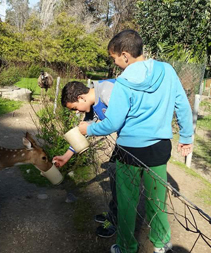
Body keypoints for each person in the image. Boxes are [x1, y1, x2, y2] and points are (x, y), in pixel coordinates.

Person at [78, 29, 193, 253]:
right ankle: (161, 244)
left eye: (114, 59)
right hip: (159, 149)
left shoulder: (123, 83)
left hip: (129, 151)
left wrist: (88, 128)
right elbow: (182, 105)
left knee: (127, 203)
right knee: (157, 201)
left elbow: (112, 123)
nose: (116, 63)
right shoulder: (167, 71)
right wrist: (186, 136)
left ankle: (127, 247)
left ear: (125, 56)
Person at [52, 79, 119, 238]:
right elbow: (82, 134)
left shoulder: (108, 91)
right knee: (115, 176)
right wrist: (66, 157)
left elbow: (116, 123)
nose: (77, 112)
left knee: (123, 184)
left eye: (75, 108)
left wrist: (90, 128)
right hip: (124, 142)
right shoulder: (91, 105)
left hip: (137, 143)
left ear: (81, 98)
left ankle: (117, 221)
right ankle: (114, 213)